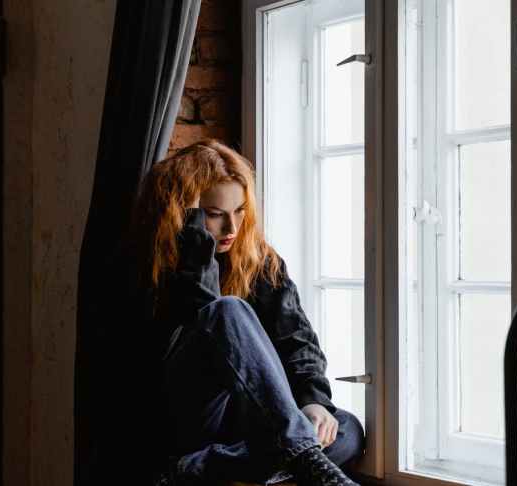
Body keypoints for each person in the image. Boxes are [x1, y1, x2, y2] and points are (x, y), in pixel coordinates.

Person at [129, 139, 365, 485]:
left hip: (249, 425)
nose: (232, 229)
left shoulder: (259, 260)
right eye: (213, 214)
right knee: (225, 311)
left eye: (240, 211)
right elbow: (200, 319)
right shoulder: (152, 264)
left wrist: (314, 402)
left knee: (346, 430)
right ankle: (297, 454)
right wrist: (196, 245)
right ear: (183, 213)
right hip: (188, 417)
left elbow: (297, 340)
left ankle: (200, 467)